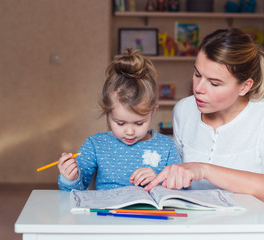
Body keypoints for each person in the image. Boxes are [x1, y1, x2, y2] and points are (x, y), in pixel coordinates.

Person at [145, 28, 264, 215]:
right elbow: (180, 177)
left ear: (244, 86)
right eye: (197, 74)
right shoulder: (184, 110)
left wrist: (204, 170)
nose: (198, 89)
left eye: (214, 83)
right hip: (199, 228)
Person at [58, 49, 181, 191]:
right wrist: (70, 178)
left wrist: (158, 181)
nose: (130, 132)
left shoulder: (166, 146)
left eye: (139, 123)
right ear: (107, 113)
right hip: (107, 213)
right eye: (120, 123)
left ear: (153, 111)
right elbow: (73, 190)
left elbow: (181, 191)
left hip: (150, 213)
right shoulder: (96, 145)